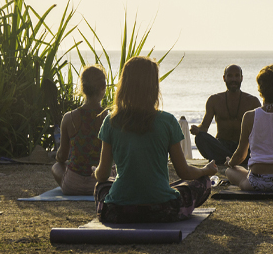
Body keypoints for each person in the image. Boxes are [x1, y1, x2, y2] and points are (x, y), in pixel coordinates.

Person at [94, 56, 218, 223]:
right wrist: (205, 171)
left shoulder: (110, 121)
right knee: (203, 183)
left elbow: (102, 175)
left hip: (119, 212)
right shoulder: (167, 121)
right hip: (163, 210)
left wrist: (95, 170)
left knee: (101, 186)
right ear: (153, 86)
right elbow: (184, 172)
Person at [52, 65, 109, 195]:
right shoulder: (108, 118)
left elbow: (62, 157)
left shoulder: (69, 118)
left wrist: (57, 155)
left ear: (82, 88)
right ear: (103, 88)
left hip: (72, 185)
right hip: (99, 184)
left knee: (56, 166)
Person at [189, 64, 261, 163]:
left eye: (237, 76)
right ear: (224, 78)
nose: (233, 79)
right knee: (200, 138)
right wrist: (196, 129)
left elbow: (261, 130)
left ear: (241, 78)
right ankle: (233, 159)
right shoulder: (214, 100)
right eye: (230, 76)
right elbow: (204, 127)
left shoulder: (253, 101)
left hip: (243, 147)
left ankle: (230, 158)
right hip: (221, 145)